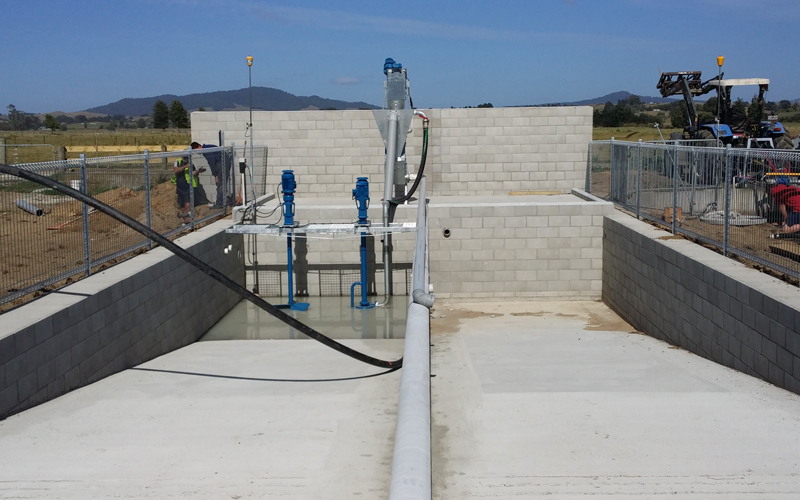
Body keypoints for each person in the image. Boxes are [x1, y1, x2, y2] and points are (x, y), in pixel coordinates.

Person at [190, 141, 227, 209]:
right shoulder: (207, 148)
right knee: (221, 183)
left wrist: (215, 175)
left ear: (199, 146)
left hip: (221, 164)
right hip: (223, 162)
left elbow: (211, 162)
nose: (197, 153)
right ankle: (222, 202)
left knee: (220, 184)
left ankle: (220, 204)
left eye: (196, 150)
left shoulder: (206, 150)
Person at [172, 156, 208, 224]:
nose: (186, 159)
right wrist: (185, 166)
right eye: (185, 157)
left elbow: (193, 173)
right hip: (180, 187)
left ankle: (189, 221)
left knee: (188, 205)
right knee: (182, 206)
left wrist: (197, 171)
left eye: (187, 157)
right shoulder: (178, 162)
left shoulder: (192, 163)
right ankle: (185, 220)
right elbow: (176, 171)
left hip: (189, 187)